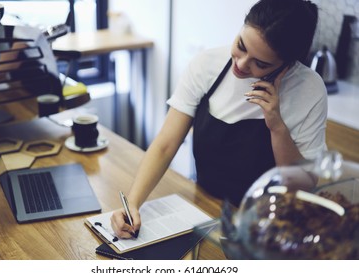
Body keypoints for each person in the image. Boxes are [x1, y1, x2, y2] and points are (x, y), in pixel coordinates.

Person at [111, 0, 327, 238]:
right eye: (241, 45)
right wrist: (132, 204)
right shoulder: (207, 65)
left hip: (270, 227)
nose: (242, 64)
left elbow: (302, 186)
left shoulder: (309, 90)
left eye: (261, 63)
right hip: (204, 208)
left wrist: (277, 126)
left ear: (287, 65)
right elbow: (165, 144)